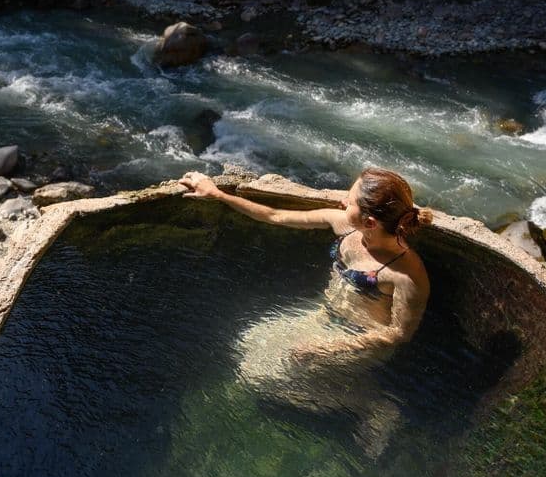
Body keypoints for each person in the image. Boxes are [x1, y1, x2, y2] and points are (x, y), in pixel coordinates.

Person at [179, 168, 433, 456]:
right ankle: (346, 387)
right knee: (248, 345)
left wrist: (328, 348)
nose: (341, 203)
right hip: (324, 318)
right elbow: (275, 216)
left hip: (359, 339)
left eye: (348, 202)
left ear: (370, 221)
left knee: (263, 379)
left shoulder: (407, 274)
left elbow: (398, 334)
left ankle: (371, 404)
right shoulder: (347, 226)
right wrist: (217, 194)